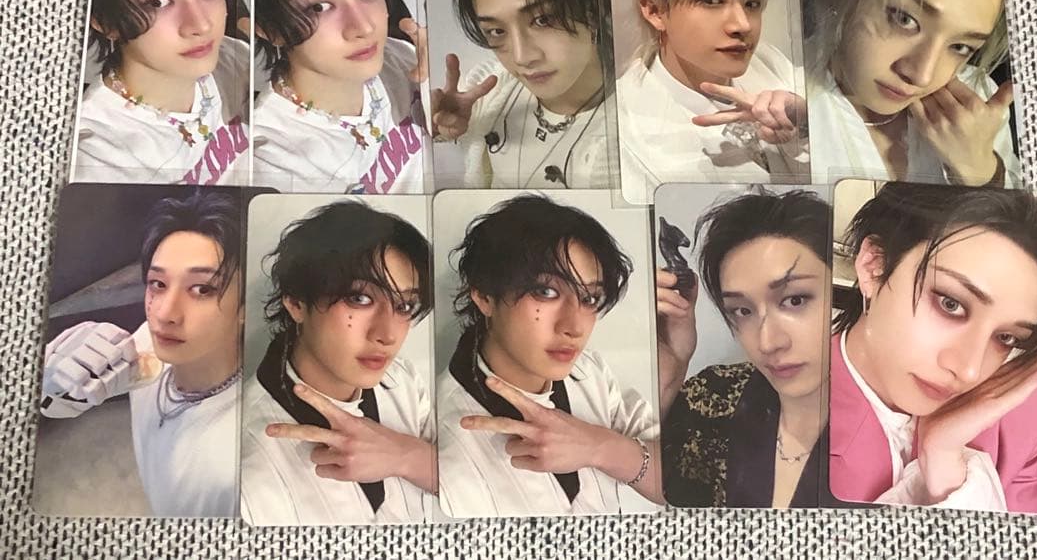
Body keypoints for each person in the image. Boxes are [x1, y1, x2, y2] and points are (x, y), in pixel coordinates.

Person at [830, 182, 1037, 511]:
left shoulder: (1023, 419)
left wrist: (946, 465)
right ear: (874, 266)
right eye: (951, 304)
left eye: (1006, 337)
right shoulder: (782, 416)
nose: (969, 370)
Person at [437, 194, 663, 517]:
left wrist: (600, 447)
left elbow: (684, 480)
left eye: (589, 298)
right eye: (545, 292)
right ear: (484, 295)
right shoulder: (445, 444)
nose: (574, 327)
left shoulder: (589, 373)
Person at [40, 190, 245, 517]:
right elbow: (69, 397)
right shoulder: (148, 344)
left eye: (202, 289)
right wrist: (54, 379)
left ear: (247, 306)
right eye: (158, 284)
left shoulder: (237, 460)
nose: (164, 313)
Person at [240, 200, 437, 525]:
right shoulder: (250, 463)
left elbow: (470, 482)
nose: (387, 334)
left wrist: (409, 457)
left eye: (404, 305)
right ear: (296, 302)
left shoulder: (402, 381)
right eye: (359, 298)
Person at [803, 0, 1021, 186]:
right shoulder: (778, 96)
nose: (922, 76)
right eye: (905, 19)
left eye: (960, 47)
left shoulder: (978, 103)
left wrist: (982, 172)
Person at [656, 189, 833, 508]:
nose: (768, 342)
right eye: (742, 310)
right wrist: (670, 370)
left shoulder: (900, 432)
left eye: (795, 300)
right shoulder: (713, 398)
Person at [616, 0, 808, 205]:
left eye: (752, 3)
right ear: (655, 11)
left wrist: (807, 128)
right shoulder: (623, 124)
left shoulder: (770, 63)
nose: (742, 24)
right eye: (711, 0)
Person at [430, 0, 613, 189]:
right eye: (496, 31)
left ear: (593, 11)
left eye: (543, 20)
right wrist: (444, 132)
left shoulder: (631, 134)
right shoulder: (491, 91)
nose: (521, 57)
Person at [251, 0, 429, 194]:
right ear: (270, 30)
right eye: (319, 7)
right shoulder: (274, 160)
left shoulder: (401, 59)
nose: (364, 27)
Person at [74, 0, 250, 186]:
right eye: (157, 3)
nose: (201, 25)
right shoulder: (99, 160)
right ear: (105, 22)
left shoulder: (234, 60)